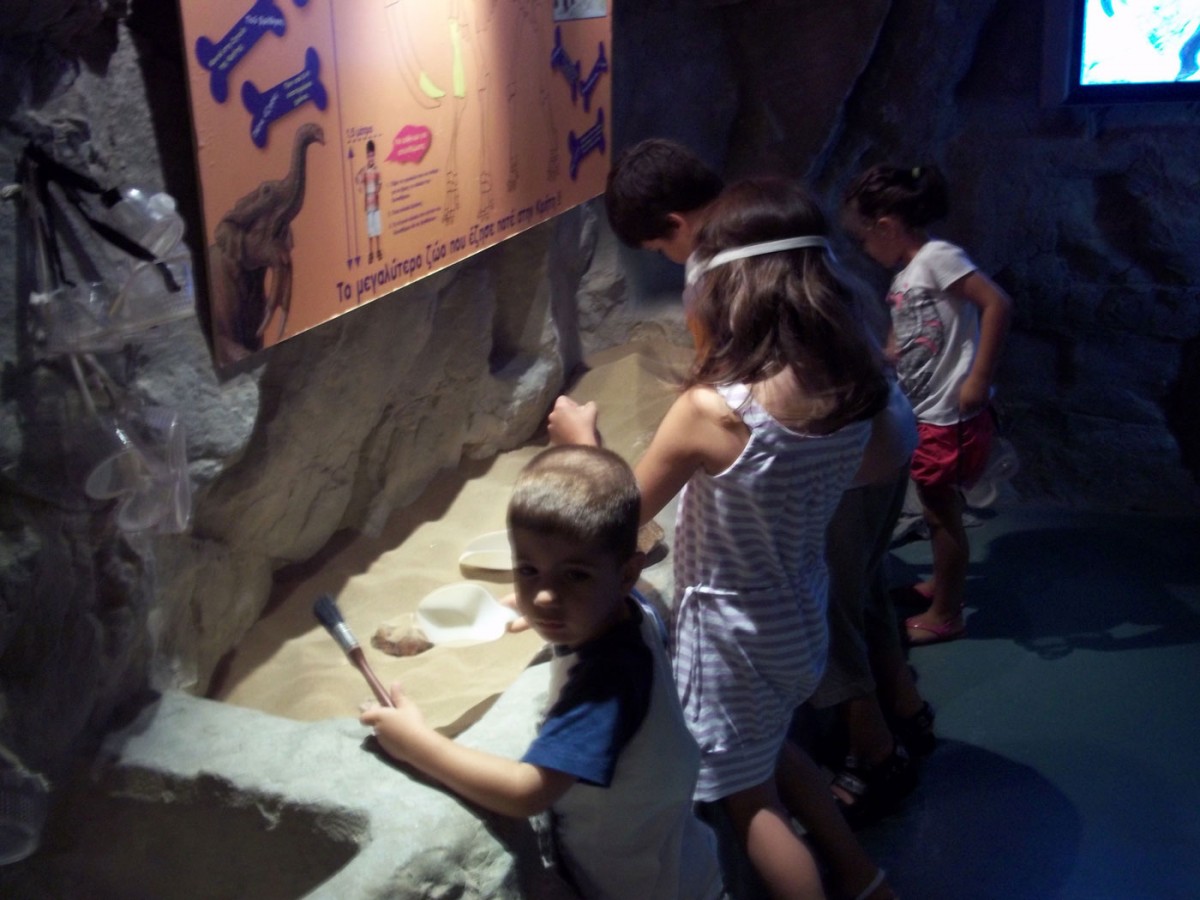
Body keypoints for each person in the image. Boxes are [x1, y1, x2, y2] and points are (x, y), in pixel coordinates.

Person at [550, 176, 895, 900]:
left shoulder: (716, 411)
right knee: (766, 753)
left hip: (732, 636)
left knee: (750, 804)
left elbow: (613, 518)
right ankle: (864, 881)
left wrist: (583, 443)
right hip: (800, 613)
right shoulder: (851, 386)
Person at [360, 445, 724, 900]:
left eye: (574, 576)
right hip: (678, 850)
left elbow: (527, 792)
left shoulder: (603, 684)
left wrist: (416, 743)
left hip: (638, 886)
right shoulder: (633, 611)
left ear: (626, 572)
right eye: (528, 570)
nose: (546, 597)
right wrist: (515, 608)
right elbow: (570, 595)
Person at [843, 163, 1012, 646]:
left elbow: (997, 303)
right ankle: (945, 581)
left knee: (941, 514)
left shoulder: (939, 257)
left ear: (886, 227)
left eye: (863, 239)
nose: (865, 249)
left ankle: (947, 614)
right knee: (937, 509)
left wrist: (978, 376)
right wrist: (881, 356)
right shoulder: (909, 275)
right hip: (927, 410)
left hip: (949, 414)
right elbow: (911, 332)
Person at [355, 139, 383, 263]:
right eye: (369, 155)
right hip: (368, 203)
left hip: (376, 203)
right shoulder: (364, 170)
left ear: (374, 155)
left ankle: (378, 250)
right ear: (367, 156)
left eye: (372, 155)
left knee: (377, 228)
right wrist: (361, 186)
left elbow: (380, 183)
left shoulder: (376, 170)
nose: (371, 157)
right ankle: (371, 252)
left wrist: (377, 189)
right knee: (370, 230)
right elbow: (357, 178)